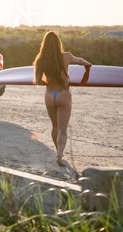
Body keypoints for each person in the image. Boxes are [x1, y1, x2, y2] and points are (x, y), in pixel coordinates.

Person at [33, 31, 92, 166]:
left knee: (55, 126)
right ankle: (60, 154)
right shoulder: (66, 57)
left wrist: (49, 82)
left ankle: (58, 152)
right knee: (63, 129)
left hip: (49, 94)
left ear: (44, 44)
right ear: (58, 43)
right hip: (63, 94)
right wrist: (88, 64)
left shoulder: (40, 59)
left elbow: (38, 81)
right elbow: (81, 61)